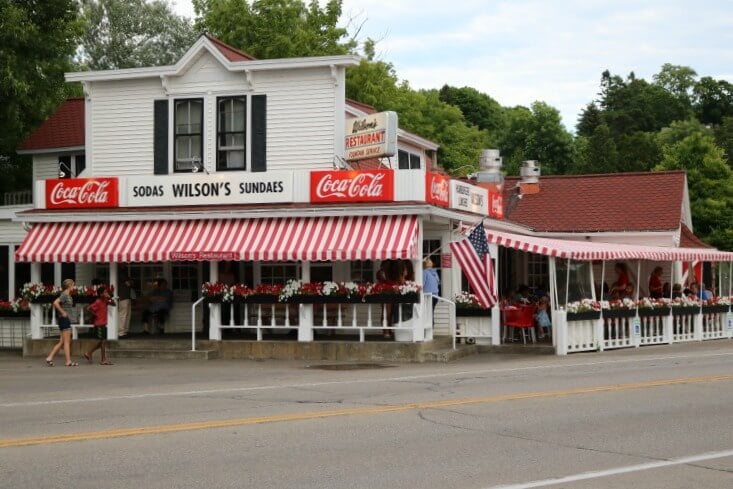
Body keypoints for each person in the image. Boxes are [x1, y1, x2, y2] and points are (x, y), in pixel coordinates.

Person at [45, 279, 78, 367]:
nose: (74, 287)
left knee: (62, 341)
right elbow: (55, 303)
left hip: (65, 319)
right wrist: (63, 312)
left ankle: (50, 357)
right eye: (73, 285)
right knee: (67, 342)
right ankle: (68, 361)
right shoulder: (64, 294)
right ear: (69, 286)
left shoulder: (67, 295)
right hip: (64, 319)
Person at [83, 287, 114, 365]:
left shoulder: (105, 301)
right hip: (99, 324)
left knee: (102, 342)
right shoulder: (98, 301)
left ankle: (90, 353)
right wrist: (95, 314)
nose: (106, 293)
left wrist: (109, 298)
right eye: (105, 292)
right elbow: (88, 308)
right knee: (102, 341)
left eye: (107, 292)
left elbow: (114, 304)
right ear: (100, 294)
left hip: (103, 323)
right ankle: (101, 359)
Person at [117, 268, 134, 338]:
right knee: (123, 314)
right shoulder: (120, 272)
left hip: (127, 296)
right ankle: (121, 332)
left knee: (127, 315)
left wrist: (130, 281)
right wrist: (130, 281)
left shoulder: (124, 272)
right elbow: (129, 283)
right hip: (123, 296)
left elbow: (130, 283)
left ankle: (125, 331)